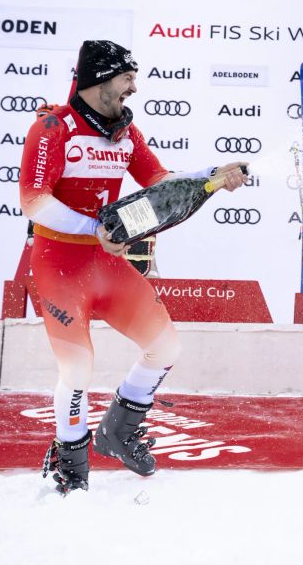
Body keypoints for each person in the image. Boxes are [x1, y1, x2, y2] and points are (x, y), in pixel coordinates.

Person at [19, 40, 248, 495]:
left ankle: (118, 432)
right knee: (78, 372)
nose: (134, 88)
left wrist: (214, 176)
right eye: (126, 78)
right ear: (101, 79)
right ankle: (70, 461)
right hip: (58, 266)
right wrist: (94, 227)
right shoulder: (52, 127)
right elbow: (32, 201)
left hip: (105, 264)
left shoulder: (126, 132)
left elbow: (160, 184)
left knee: (165, 347)